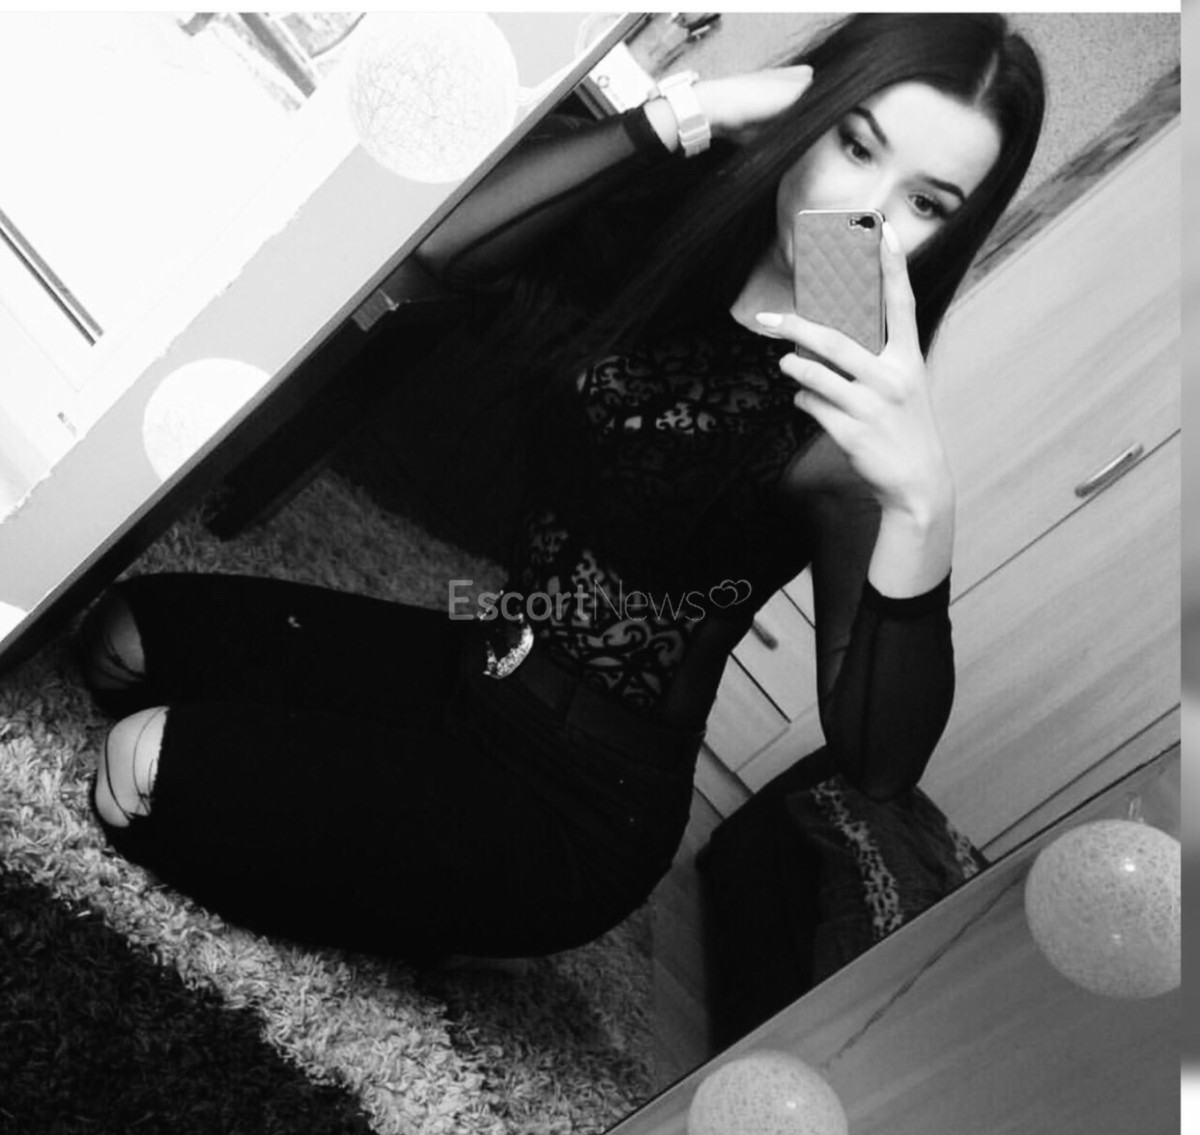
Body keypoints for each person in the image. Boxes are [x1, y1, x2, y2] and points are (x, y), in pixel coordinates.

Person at [76, 14, 1045, 963]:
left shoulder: (847, 419)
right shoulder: (689, 232)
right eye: (856, 144)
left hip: (571, 806)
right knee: (121, 637)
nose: (865, 213)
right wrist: (685, 113)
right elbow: (441, 249)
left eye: (927, 204)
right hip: (473, 667)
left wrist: (924, 504)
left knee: (145, 771)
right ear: (807, 111)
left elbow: (878, 765)